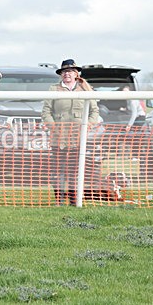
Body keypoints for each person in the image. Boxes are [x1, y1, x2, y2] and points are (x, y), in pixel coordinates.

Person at [41, 59, 100, 205]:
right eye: (64, 72)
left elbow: (94, 112)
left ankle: (74, 200)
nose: (67, 74)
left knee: (75, 171)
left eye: (70, 71)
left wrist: (88, 126)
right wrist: (54, 128)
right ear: (61, 74)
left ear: (76, 73)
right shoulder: (53, 89)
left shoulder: (85, 89)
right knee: (58, 171)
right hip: (58, 137)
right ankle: (59, 200)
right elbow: (46, 112)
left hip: (78, 137)